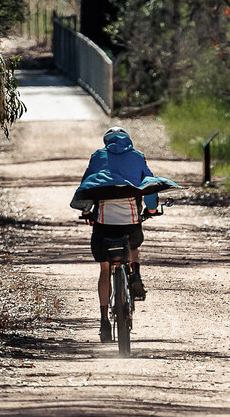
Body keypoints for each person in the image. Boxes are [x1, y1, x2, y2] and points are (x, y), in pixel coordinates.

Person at [71, 126, 167, 342]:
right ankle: (135, 274)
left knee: (105, 268)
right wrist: (151, 210)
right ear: (128, 141)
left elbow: (87, 184)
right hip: (131, 223)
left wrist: (86, 211)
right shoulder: (137, 156)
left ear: (106, 141)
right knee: (133, 245)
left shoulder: (98, 156)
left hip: (104, 223)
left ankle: (104, 320)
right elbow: (149, 186)